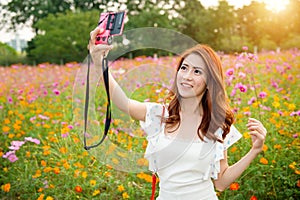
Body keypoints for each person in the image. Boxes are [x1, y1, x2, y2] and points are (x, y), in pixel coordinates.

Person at [88, 27, 267, 200]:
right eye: (184, 68)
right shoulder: (160, 115)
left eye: (197, 71)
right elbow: (123, 103)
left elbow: (221, 183)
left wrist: (255, 150)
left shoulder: (216, 124)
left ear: (210, 82)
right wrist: (99, 64)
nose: (187, 76)